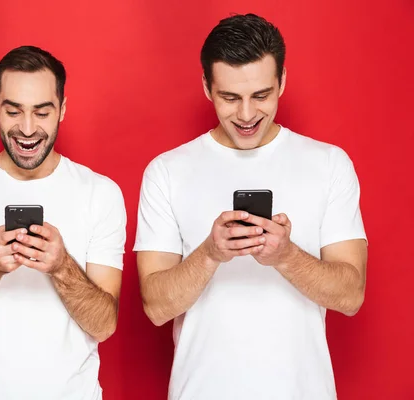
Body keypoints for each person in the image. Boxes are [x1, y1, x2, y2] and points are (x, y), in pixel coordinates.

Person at [134, 13, 367, 400]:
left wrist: (287, 256)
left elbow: (352, 295)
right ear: (207, 87)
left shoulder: (329, 164)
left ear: (283, 82)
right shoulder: (167, 172)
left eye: (261, 95)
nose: (245, 115)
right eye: (229, 97)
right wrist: (210, 254)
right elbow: (156, 306)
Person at [0, 45, 126, 400]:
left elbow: (104, 325)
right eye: (13, 110)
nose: (28, 128)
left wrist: (61, 266)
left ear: (62, 110)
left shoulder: (101, 193)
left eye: (42, 111)